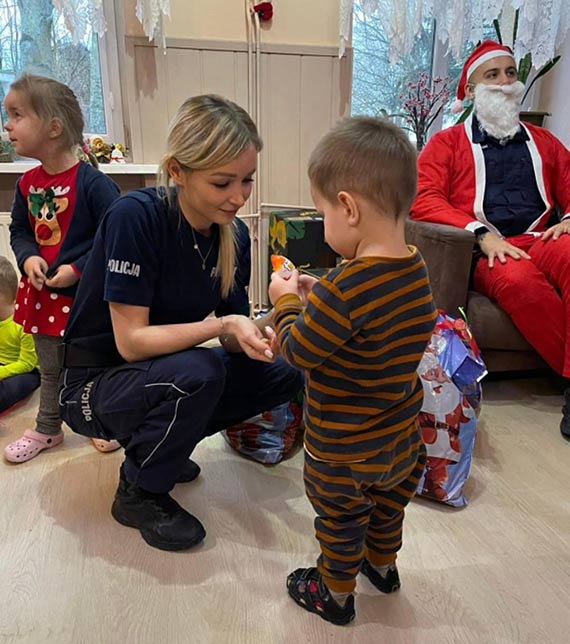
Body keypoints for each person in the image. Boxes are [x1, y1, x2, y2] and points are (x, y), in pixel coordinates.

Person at [59, 94, 303, 552]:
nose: (239, 196)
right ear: (177, 172)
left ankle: (162, 448)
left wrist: (285, 307)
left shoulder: (234, 236)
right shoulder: (135, 218)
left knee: (284, 369)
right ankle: (138, 491)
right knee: (198, 372)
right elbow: (131, 343)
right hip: (91, 389)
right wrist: (221, 326)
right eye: (222, 182)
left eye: (247, 180)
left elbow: (236, 339)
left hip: (156, 375)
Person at [268, 116, 437, 626]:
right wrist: (321, 297)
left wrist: (284, 304)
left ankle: (335, 594)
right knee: (387, 509)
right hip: (400, 441)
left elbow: (297, 349)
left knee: (341, 520)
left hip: (343, 448)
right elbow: (374, 327)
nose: (323, 224)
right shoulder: (414, 267)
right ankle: (383, 568)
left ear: (348, 207)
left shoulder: (346, 288)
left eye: (322, 213)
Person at [411, 40, 570, 441]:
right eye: (492, 74)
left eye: (511, 73)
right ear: (470, 89)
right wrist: (480, 234)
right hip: (491, 247)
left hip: (541, 236)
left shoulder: (546, 142)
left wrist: (568, 219)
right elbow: (423, 197)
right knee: (519, 283)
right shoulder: (445, 144)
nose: (504, 83)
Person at [3, 73, 121, 462]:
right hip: (43, 298)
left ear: (54, 127)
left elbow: (116, 240)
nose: (7, 125)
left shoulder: (94, 185)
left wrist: (79, 269)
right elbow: (20, 229)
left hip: (87, 302)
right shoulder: (27, 184)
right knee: (51, 369)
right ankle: (48, 428)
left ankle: (104, 422)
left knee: (96, 366)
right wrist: (28, 257)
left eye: (17, 114)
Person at [0, 256, 40, 413]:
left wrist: (2, 372)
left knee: (18, 385)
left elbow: (27, 363)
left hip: (26, 371)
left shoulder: (23, 323)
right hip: (3, 367)